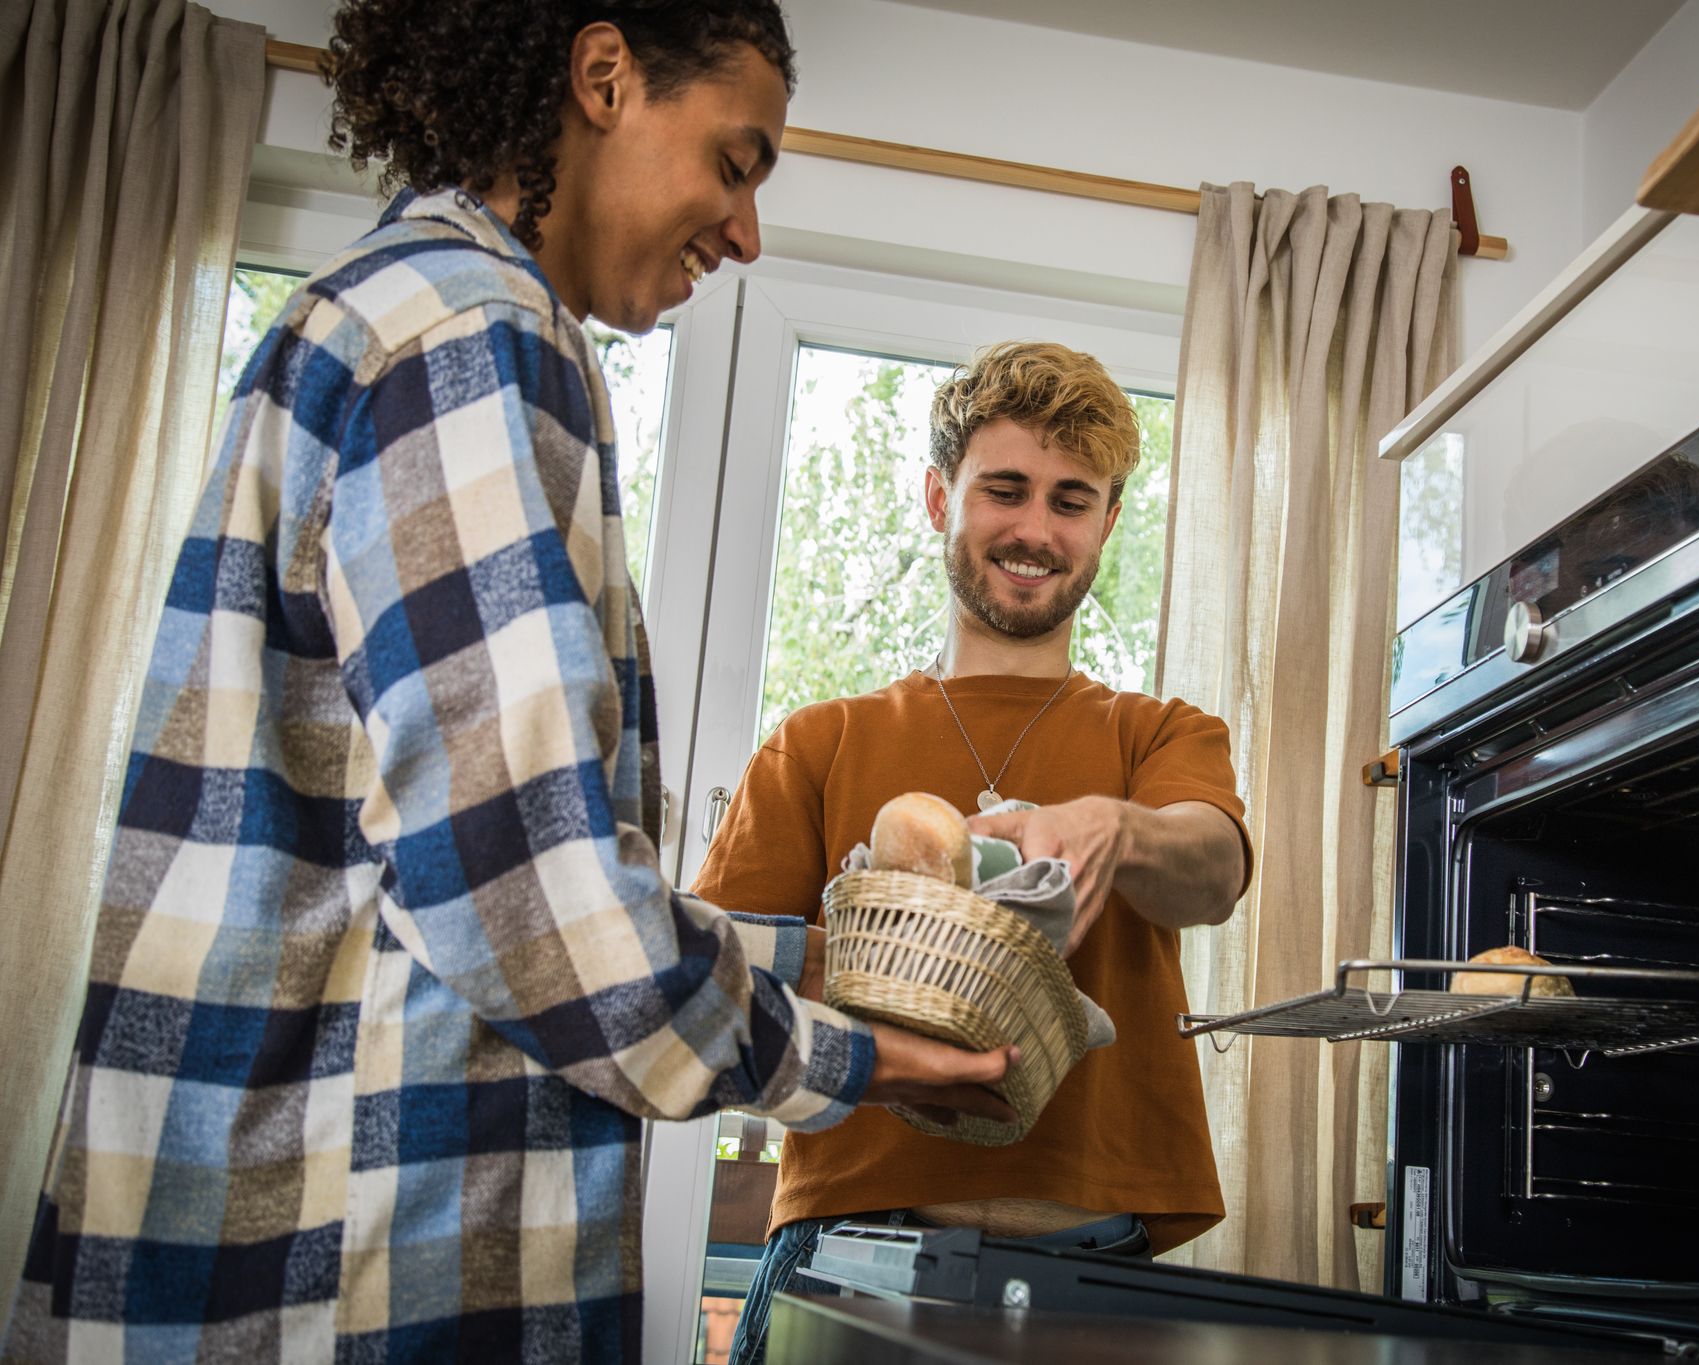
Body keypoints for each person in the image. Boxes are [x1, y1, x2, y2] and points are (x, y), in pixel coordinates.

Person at [2, 4, 1015, 1360]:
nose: (749, 229)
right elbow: (524, 895)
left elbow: (467, 867)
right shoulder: (475, 334)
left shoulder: (386, 311)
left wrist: (855, 970)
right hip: (352, 1267)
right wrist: (856, 1061)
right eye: (737, 160)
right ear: (604, 77)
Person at [699, 341, 1253, 1365]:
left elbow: (1214, 869)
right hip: (838, 1248)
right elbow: (709, 993)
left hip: (1096, 1260)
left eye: (1070, 499)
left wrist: (1114, 827)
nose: (1035, 529)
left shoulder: (1161, 735)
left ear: (1109, 522)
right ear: (936, 495)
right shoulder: (818, 743)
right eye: (1004, 490)